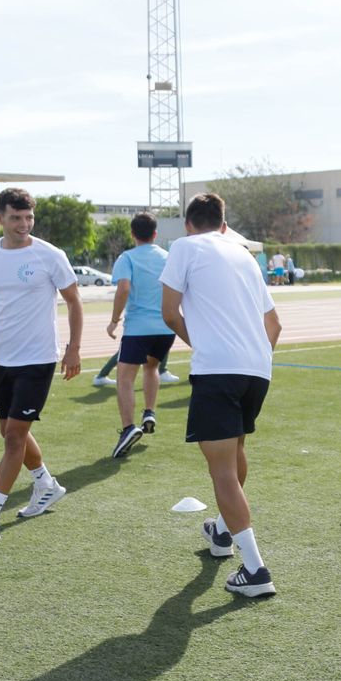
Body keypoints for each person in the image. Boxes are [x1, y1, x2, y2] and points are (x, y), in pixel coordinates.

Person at [161, 192, 283, 598]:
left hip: (219, 369)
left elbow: (169, 312)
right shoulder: (245, 255)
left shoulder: (184, 246)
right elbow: (275, 325)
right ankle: (221, 531)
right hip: (257, 370)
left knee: (222, 471)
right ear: (224, 224)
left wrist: (205, 345)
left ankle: (255, 570)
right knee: (234, 456)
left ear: (189, 224)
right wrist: (251, 358)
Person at [0, 188, 84, 544]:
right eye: (16, 218)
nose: (23, 225)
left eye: (28, 218)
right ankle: (46, 483)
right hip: (1, 359)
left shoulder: (50, 255)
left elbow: (74, 301)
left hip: (39, 358)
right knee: (10, 431)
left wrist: (73, 349)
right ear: (0, 218)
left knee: (14, 437)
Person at [107, 212, 178, 459]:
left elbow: (124, 288)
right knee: (152, 368)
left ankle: (128, 428)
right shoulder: (168, 258)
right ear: (155, 234)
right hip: (166, 328)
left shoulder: (127, 257)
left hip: (138, 328)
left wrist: (114, 320)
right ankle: (149, 412)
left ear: (132, 234)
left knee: (124, 378)